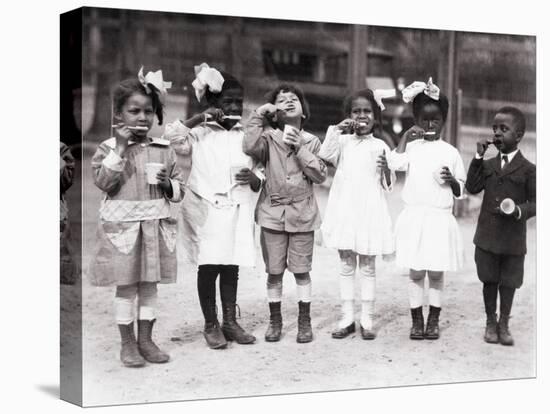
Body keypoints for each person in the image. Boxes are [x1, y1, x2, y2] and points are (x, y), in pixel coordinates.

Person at [89, 68, 184, 367]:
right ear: (119, 113)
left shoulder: (164, 151)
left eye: (148, 111)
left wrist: (169, 185)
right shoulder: (107, 148)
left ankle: (146, 339)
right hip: (124, 232)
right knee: (126, 286)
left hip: (155, 229)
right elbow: (104, 183)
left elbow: (180, 191)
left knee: (149, 286)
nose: (142, 117)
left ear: (156, 115)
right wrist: (119, 148)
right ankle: (127, 343)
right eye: (134, 111)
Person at [164, 63, 260, 350]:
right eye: (226, 101)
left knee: (231, 265)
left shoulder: (245, 135)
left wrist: (255, 178)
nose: (233, 107)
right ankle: (210, 323)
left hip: (236, 206)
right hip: (206, 207)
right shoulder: (199, 134)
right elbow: (172, 136)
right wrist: (198, 118)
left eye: (238, 102)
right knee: (209, 266)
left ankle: (230, 321)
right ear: (212, 103)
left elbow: (260, 167)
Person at [243, 83, 327, 343]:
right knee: (274, 271)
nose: (289, 102)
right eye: (282, 100)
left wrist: (300, 147)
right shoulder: (267, 138)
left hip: (303, 214)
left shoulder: (312, 141)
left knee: (302, 270)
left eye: (294, 99)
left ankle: (304, 320)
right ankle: (275, 320)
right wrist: (259, 114)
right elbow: (248, 146)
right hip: (272, 213)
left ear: (303, 112)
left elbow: (320, 174)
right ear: (275, 113)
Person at [388, 78, 466, 340]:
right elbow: (396, 164)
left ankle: (433, 318)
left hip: (438, 218)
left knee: (435, 270)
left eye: (436, 120)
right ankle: (416, 320)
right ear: (416, 120)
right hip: (415, 216)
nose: (430, 125)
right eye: (424, 120)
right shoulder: (412, 147)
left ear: (444, 120)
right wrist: (404, 137)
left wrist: (451, 180)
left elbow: (460, 190)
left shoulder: (451, 152)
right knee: (416, 270)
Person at [318, 88, 395, 340]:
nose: (361, 116)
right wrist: (337, 129)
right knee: (346, 264)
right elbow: (325, 157)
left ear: (375, 116)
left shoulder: (381, 145)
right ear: (349, 115)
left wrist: (385, 170)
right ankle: (347, 316)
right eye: (356, 111)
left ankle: (367, 318)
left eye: (367, 111)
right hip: (346, 209)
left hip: (369, 210)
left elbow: (389, 184)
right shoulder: (342, 141)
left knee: (369, 267)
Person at [465, 106, 535, 346]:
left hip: (512, 239)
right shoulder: (488, 165)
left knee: (509, 282)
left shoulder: (529, 170)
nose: (497, 134)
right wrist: (477, 157)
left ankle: (504, 323)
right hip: (487, 236)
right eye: (495, 129)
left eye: (504, 129)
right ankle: (490, 321)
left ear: (518, 135)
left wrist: (518, 211)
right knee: (489, 279)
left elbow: (537, 203)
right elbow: (472, 188)